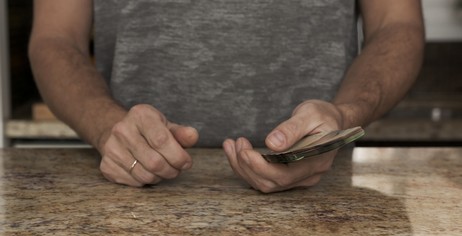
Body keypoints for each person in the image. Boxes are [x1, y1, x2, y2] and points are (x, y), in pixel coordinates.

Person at [28, 0, 424, 193]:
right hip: (135, 187)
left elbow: (397, 25)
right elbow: (55, 38)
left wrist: (341, 116)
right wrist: (106, 126)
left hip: (321, 188)